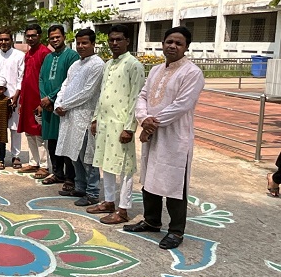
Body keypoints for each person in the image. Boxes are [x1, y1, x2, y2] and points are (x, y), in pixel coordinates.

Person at [124, 27, 204, 250]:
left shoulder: (192, 73)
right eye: (169, 42)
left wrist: (152, 123)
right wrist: (143, 118)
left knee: (174, 182)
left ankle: (176, 231)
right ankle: (152, 221)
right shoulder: (156, 70)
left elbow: (182, 105)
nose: (173, 46)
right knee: (150, 177)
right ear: (162, 43)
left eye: (178, 43)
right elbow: (142, 96)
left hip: (175, 136)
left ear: (186, 47)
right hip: (153, 133)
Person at [87, 25, 146, 222]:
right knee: (107, 163)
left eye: (119, 39)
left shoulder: (134, 65)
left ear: (127, 41)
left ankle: (123, 209)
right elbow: (102, 94)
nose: (114, 43)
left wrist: (129, 128)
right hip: (105, 123)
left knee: (124, 167)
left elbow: (136, 98)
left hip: (121, 125)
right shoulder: (108, 64)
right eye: (111, 40)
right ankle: (109, 201)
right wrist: (95, 119)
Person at [53, 28, 105, 202]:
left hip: (85, 116)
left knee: (87, 157)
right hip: (69, 116)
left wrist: (65, 105)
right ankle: (80, 187)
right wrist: (58, 104)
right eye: (78, 43)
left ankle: (92, 193)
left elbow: (88, 92)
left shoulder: (97, 65)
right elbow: (65, 85)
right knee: (74, 154)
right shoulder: (75, 65)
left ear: (93, 44)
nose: (81, 46)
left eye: (85, 43)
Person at [39, 24, 80, 187]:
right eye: (52, 38)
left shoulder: (72, 56)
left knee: (65, 141)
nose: (55, 40)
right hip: (48, 107)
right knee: (52, 141)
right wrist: (44, 99)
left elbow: (70, 81)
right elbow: (41, 79)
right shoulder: (48, 57)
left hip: (63, 107)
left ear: (64, 37)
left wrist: (52, 98)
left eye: (58, 37)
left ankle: (70, 177)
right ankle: (57, 173)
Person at [0, 28, 25, 169]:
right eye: (1, 39)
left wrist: (17, 95)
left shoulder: (19, 56)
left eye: (6, 39)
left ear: (11, 40)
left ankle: (15, 155)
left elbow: (21, 77)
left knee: (14, 127)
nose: (3, 42)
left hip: (13, 97)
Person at [17, 24, 51, 177]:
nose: (30, 38)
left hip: (39, 99)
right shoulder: (28, 54)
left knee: (39, 133)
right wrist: (21, 101)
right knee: (29, 132)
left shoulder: (45, 53)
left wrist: (43, 101)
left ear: (40, 36)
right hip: (27, 99)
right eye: (28, 36)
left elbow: (46, 80)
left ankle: (44, 165)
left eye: (33, 35)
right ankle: (33, 162)